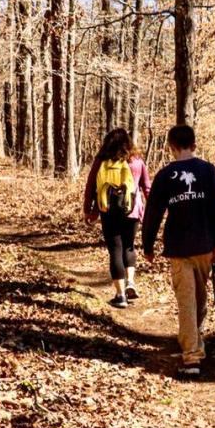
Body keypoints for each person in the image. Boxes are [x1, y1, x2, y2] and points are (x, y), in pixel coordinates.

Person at [142, 125, 215, 379]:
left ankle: (193, 343)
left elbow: (153, 214)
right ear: (194, 144)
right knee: (194, 300)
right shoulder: (208, 170)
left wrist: (148, 245)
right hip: (204, 246)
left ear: (171, 146)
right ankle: (192, 354)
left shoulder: (166, 174)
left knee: (192, 300)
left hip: (180, 248)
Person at [84, 129, 152, 309]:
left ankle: (120, 295)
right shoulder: (137, 162)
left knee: (115, 250)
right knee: (129, 246)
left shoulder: (101, 161)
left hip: (108, 211)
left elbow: (91, 187)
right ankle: (130, 282)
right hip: (132, 211)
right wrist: (150, 213)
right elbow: (147, 188)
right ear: (129, 143)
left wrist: (89, 211)